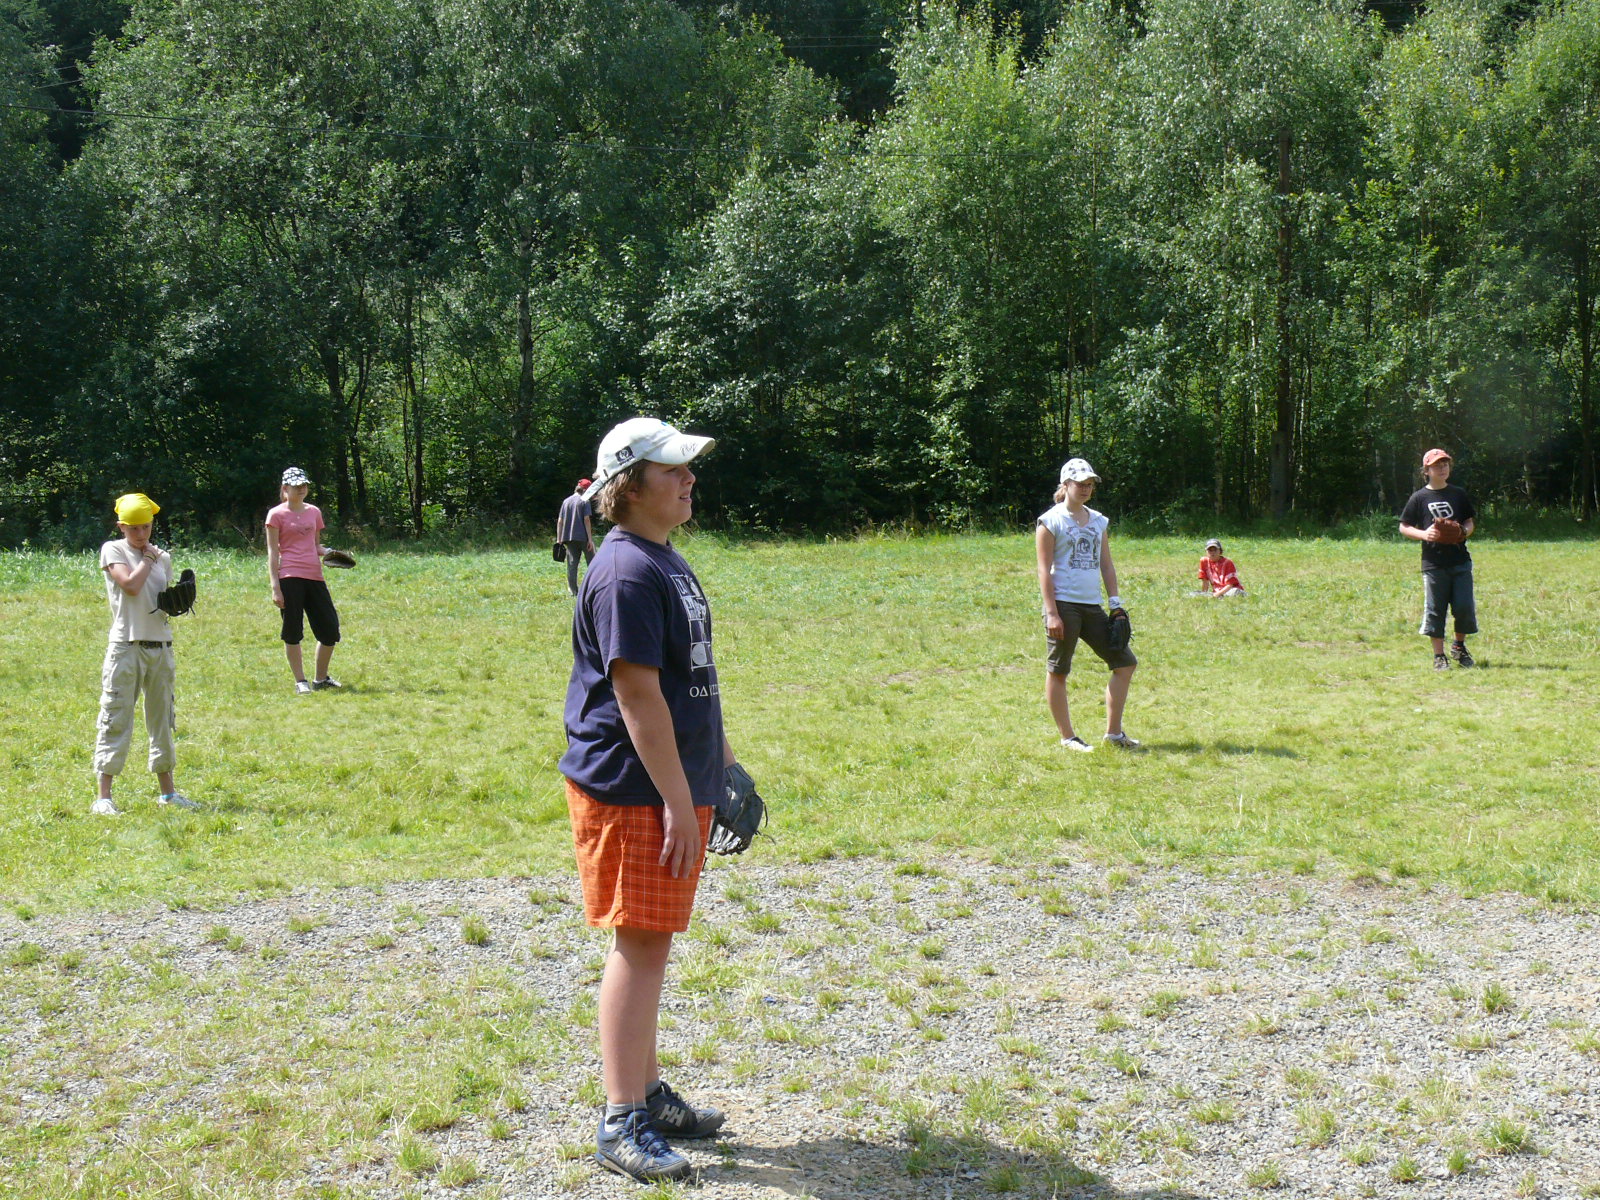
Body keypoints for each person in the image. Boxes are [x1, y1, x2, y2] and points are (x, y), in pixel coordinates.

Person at [559, 417, 735, 1183]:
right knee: (639, 943)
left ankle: (648, 1093)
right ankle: (622, 1117)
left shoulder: (662, 558)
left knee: (651, 942)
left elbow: (690, 679)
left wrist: (725, 766)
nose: (690, 479)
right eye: (673, 470)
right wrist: (674, 799)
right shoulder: (627, 571)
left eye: (689, 468)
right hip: (635, 788)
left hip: (668, 782)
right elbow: (636, 697)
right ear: (628, 487)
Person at [91, 492, 199, 815]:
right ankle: (103, 798)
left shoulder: (162, 557)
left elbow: (159, 599)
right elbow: (130, 586)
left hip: (161, 646)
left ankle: (168, 794)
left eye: (146, 527)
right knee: (115, 715)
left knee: (162, 719)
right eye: (134, 528)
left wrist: (179, 601)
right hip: (127, 646)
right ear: (122, 527)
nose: (141, 534)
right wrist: (148, 560)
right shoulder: (114, 550)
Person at [1035, 459, 1140, 752]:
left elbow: (1106, 564)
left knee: (1125, 663)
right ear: (1065, 484)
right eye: (1080, 483)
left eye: (1090, 484)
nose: (1086, 488)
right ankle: (1068, 737)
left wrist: (1115, 603)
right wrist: (1052, 613)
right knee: (1059, 670)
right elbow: (1043, 570)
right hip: (1063, 604)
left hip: (1092, 605)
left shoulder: (1098, 521)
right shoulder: (1050, 521)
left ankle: (1114, 734)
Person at [266, 467, 343, 695]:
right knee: (293, 631)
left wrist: (330, 553)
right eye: (296, 485)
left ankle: (321, 679)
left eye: (304, 485)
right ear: (285, 488)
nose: (301, 489)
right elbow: (272, 552)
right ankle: (301, 681)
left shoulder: (314, 512)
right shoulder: (275, 515)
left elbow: (315, 545)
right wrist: (275, 587)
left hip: (314, 576)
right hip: (289, 577)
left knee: (330, 629)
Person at [1399, 448, 1478, 670]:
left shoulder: (1458, 494)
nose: (1442, 468)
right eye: (1436, 465)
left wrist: (1464, 531)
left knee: (1464, 607)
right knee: (1436, 610)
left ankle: (1459, 646)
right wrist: (1424, 534)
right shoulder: (1419, 497)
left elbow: (1469, 521)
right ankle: (1439, 656)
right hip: (1434, 564)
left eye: (1445, 464)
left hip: (1460, 561)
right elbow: (1404, 526)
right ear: (1426, 471)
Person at [557, 477, 597, 596]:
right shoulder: (585, 501)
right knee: (593, 563)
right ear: (585, 490)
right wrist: (590, 540)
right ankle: (594, 588)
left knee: (572, 565)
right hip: (583, 537)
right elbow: (586, 520)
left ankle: (573, 591)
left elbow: (560, 521)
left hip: (568, 538)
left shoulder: (566, 501)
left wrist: (559, 539)